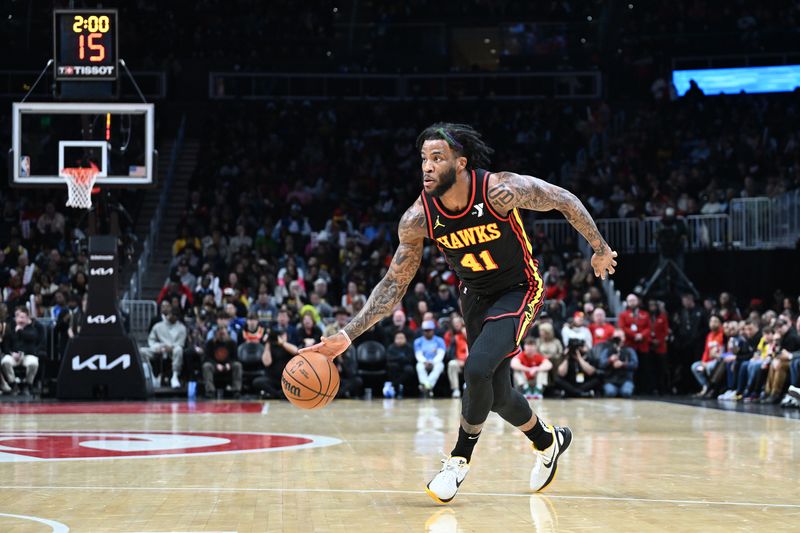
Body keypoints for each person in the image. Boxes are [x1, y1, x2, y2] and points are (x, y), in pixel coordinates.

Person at [300, 123, 617, 502]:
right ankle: (548, 440)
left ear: (461, 164)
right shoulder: (419, 217)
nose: (427, 167)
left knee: (477, 369)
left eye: (437, 158)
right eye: (423, 160)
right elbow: (394, 283)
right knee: (497, 396)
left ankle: (458, 461)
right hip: (475, 296)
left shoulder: (500, 190)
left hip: (519, 289)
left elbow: (562, 198)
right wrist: (346, 335)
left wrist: (598, 247)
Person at [0, 306, 44, 396]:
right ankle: (13, 384)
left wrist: (20, 331)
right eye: (18, 317)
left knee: (34, 363)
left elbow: (32, 338)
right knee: (5, 361)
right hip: (14, 356)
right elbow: (6, 346)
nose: (20, 320)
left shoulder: (32, 328)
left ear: (28, 318)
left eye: (23, 317)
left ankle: (28, 385)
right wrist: (12, 353)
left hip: (27, 355)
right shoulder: (10, 329)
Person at [140, 309, 187, 388]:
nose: (171, 316)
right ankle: (151, 376)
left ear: (177, 317)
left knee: (179, 350)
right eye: (170, 314)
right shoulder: (158, 326)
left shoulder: (182, 328)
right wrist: (157, 347)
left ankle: (174, 377)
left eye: (174, 315)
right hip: (159, 349)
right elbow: (151, 340)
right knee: (141, 351)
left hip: (173, 350)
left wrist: (171, 347)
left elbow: (180, 343)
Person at [202, 326, 242, 399]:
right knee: (206, 366)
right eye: (220, 332)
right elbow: (206, 358)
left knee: (237, 365)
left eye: (224, 333)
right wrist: (216, 365)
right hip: (215, 365)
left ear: (227, 333)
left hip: (228, 365)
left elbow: (235, 358)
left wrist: (229, 364)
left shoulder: (232, 343)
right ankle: (210, 391)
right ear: (216, 333)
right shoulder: (210, 343)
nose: (222, 334)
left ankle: (236, 390)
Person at [599, 329, 639, 398]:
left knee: (626, 393)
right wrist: (610, 360)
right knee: (610, 393)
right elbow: (601, 364)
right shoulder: (607, 350)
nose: (619, 339)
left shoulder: (629, 350)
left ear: (624, 338)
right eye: (617, 337)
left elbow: (635, 364)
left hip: (626, 380)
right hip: (610, 380)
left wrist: (623, 364)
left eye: (621, 336)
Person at [414, 320, 446, 397]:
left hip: (436, 362)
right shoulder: (418, 341)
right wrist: (425, 361)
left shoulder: (440, 340)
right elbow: (418, 355)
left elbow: (441, 354)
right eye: (425, 330)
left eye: (429, 330)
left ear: (433, 330)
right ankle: (428, 386)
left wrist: (433, 362)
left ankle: (426, 386)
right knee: (419, 366)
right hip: (424, 362)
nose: (427, 332)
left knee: (440, 366)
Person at [444, 315, 469, 398]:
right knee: (452, 364)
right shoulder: (453, 337)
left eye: (458, 322)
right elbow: (450, 354)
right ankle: (456, 390)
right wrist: (458, 360)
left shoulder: (470, 334)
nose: (457, 324)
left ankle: (469, 385)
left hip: (471, 361)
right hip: (459, 362)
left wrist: (466, 334)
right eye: (455, 323)